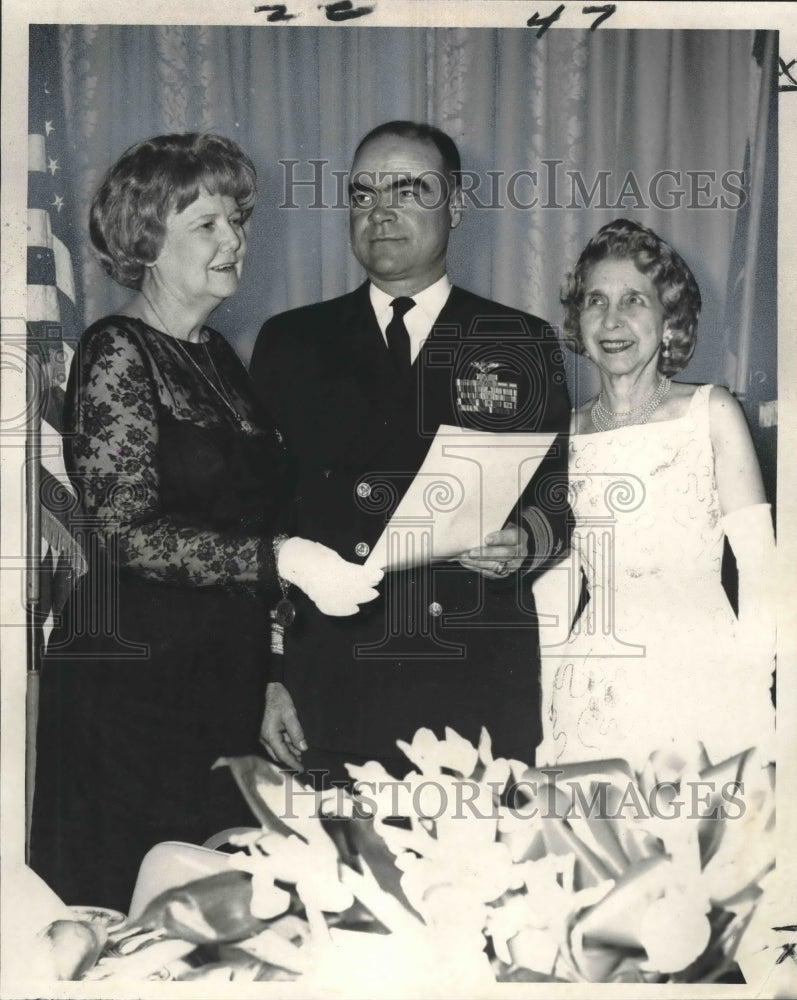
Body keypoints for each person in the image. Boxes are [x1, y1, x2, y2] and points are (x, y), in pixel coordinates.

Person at [29, 133, 380, 912]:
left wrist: (271, 677)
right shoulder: (114, 350)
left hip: (219, 684)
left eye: (237, 222)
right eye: (207, 226)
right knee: (128, 915)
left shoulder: (218, 355)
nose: (234, 241)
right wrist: (283, 559)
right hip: (129, 687)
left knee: (216, 914)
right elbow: (127, 531)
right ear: (146, 242)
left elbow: (248, 521)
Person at [250, 121, 572, 784]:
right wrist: (268, 675)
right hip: (331, 686)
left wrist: (526, 540)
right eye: (362, 194)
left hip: (472, 678)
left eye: (408, 189)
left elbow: (560, 491)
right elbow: (257, 523)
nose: (381, 212)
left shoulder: (514, 337)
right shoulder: (291, 342)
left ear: (454, 206)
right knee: (324, 882)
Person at [536, 218, 776, 770]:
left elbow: (763, 573)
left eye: (633, 300)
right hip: (594, 685)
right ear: (578, 319)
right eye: (596, 300)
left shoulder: (712, 412)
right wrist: (545, 711)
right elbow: (556, 591)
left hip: (702, 672)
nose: (612, 319)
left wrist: (756, 699)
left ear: (668, 321)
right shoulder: (563, 433)